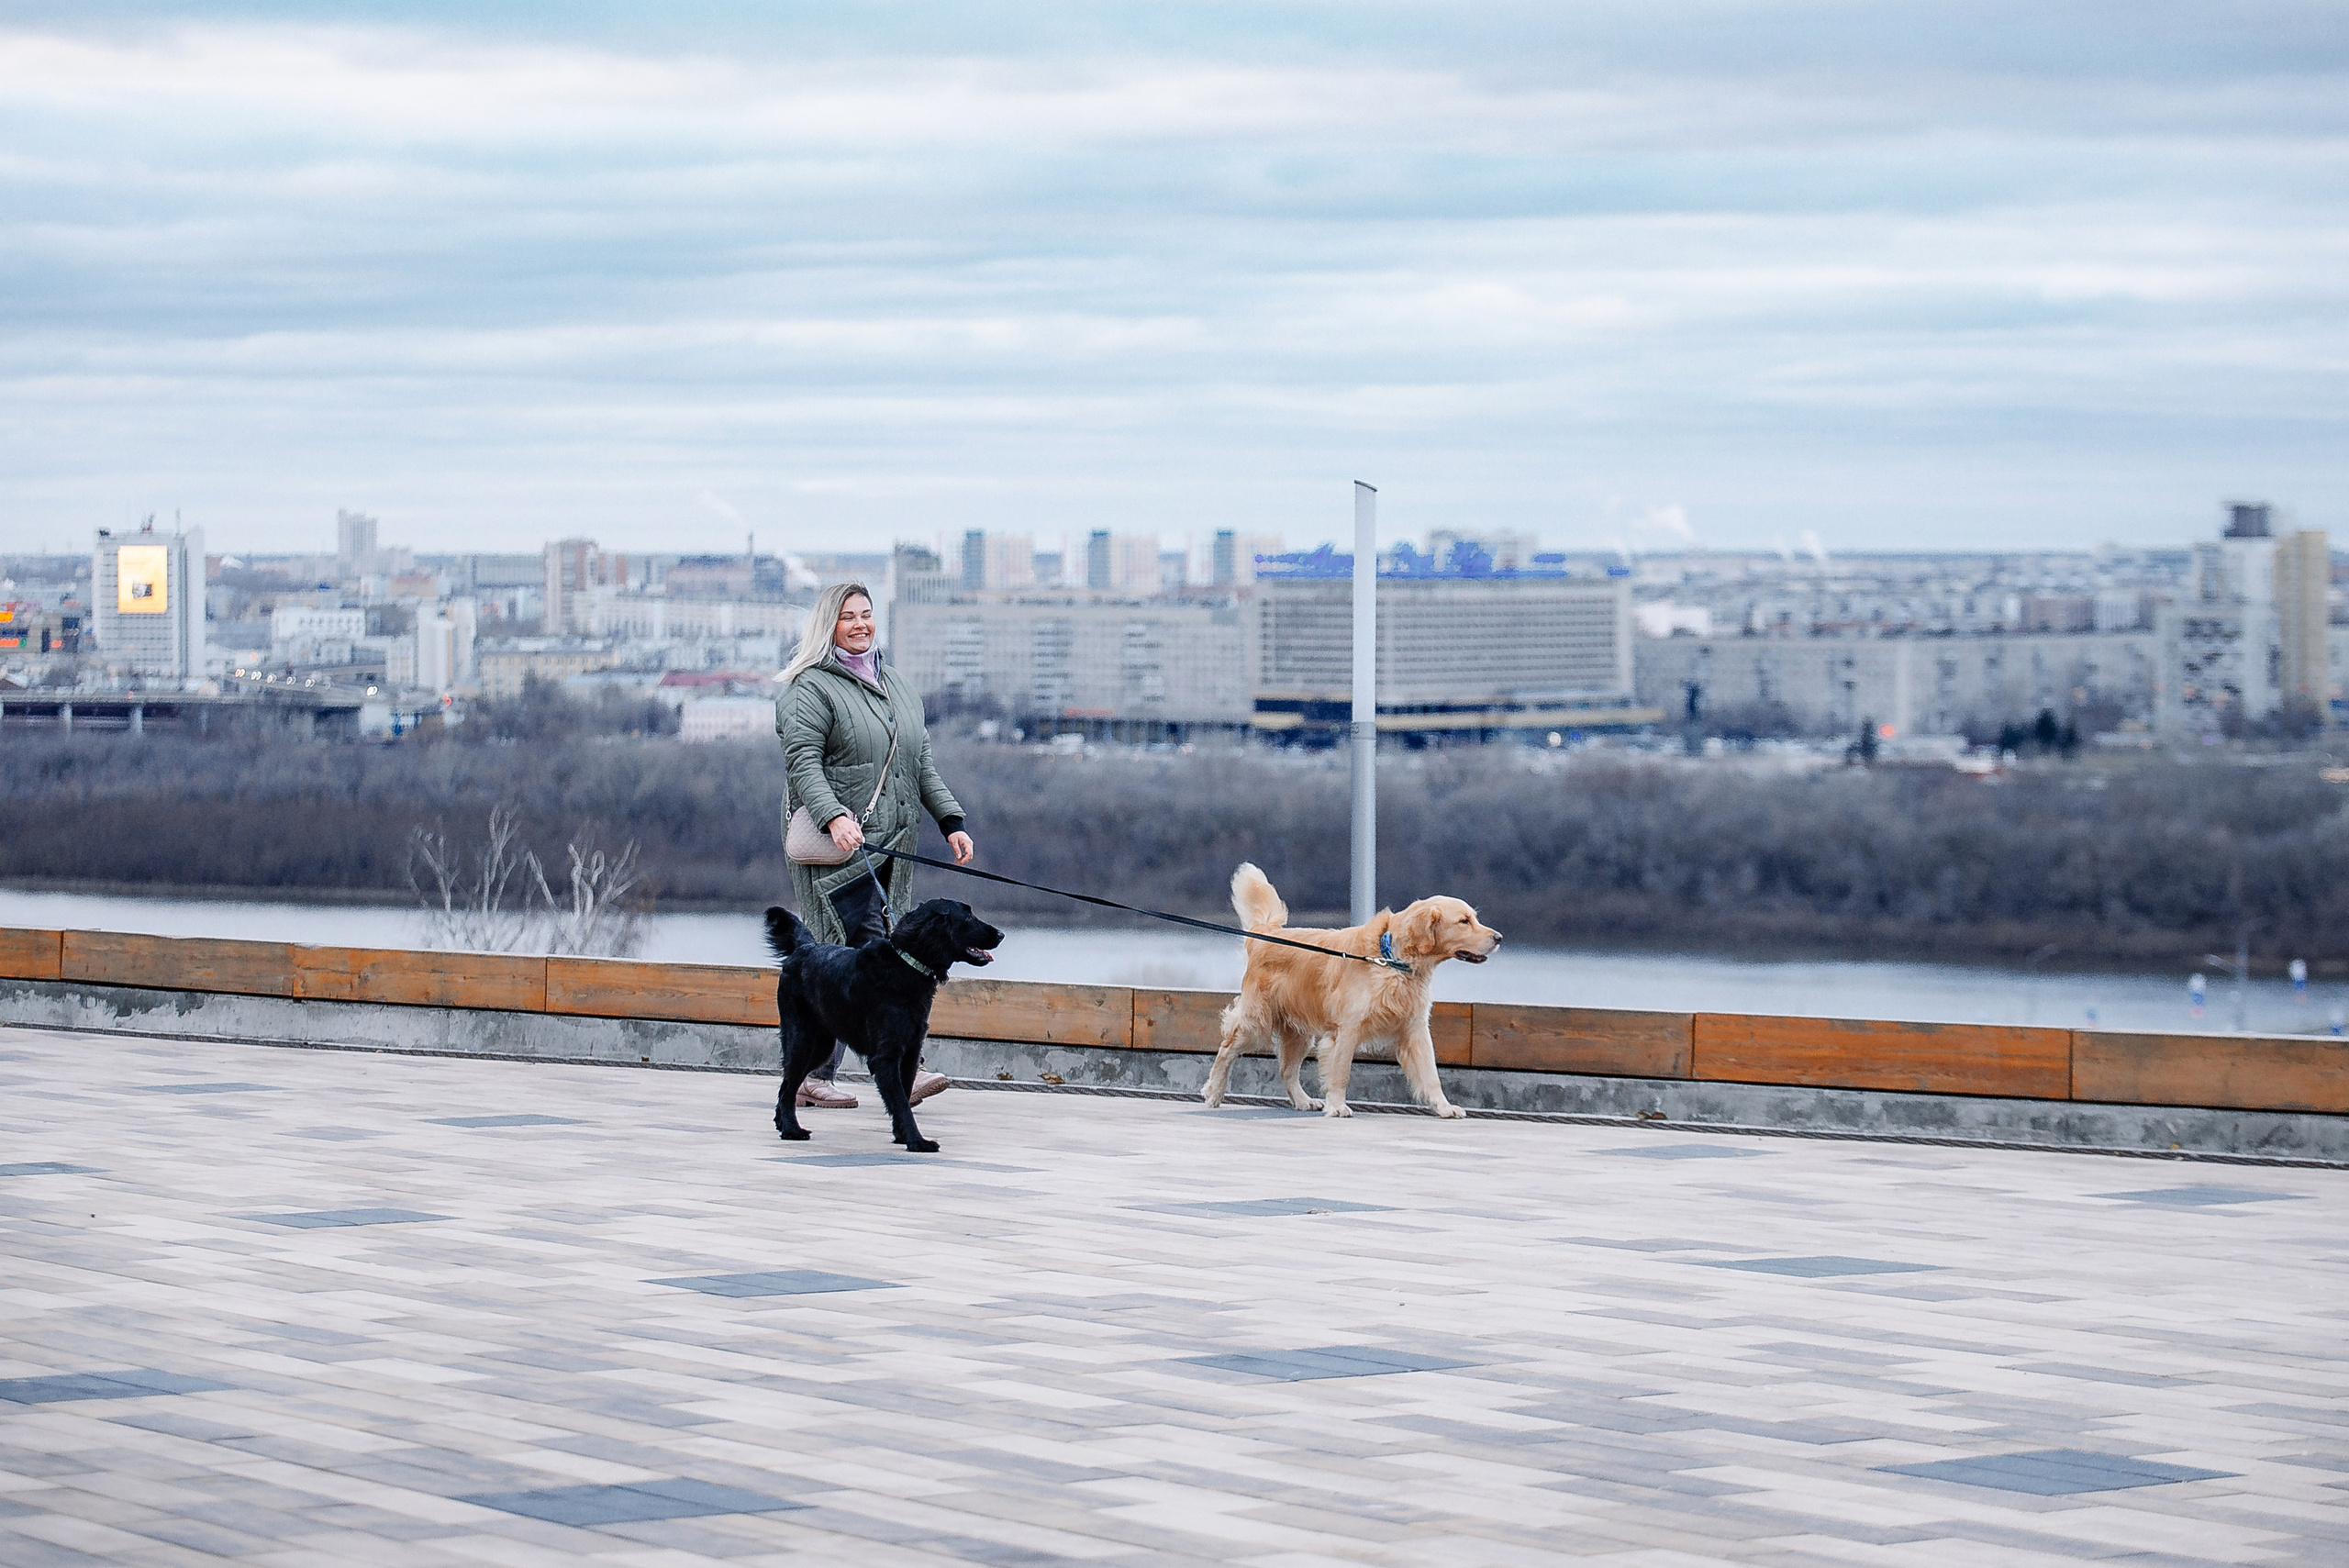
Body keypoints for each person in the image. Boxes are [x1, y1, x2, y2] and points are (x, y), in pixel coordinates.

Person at [775, 582, 975, 1109]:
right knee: (853, 953)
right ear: (828, 625)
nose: (860, 624)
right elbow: (803, 763)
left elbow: (920, 763)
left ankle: (877, 1071)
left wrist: (950, 820)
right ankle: (829, 1074)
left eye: (866, 614)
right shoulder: (809, 688)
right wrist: (833, 815)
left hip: (892, 849)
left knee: (879, 953)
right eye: (848, 617)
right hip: (839, 850)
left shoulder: (898, 686)